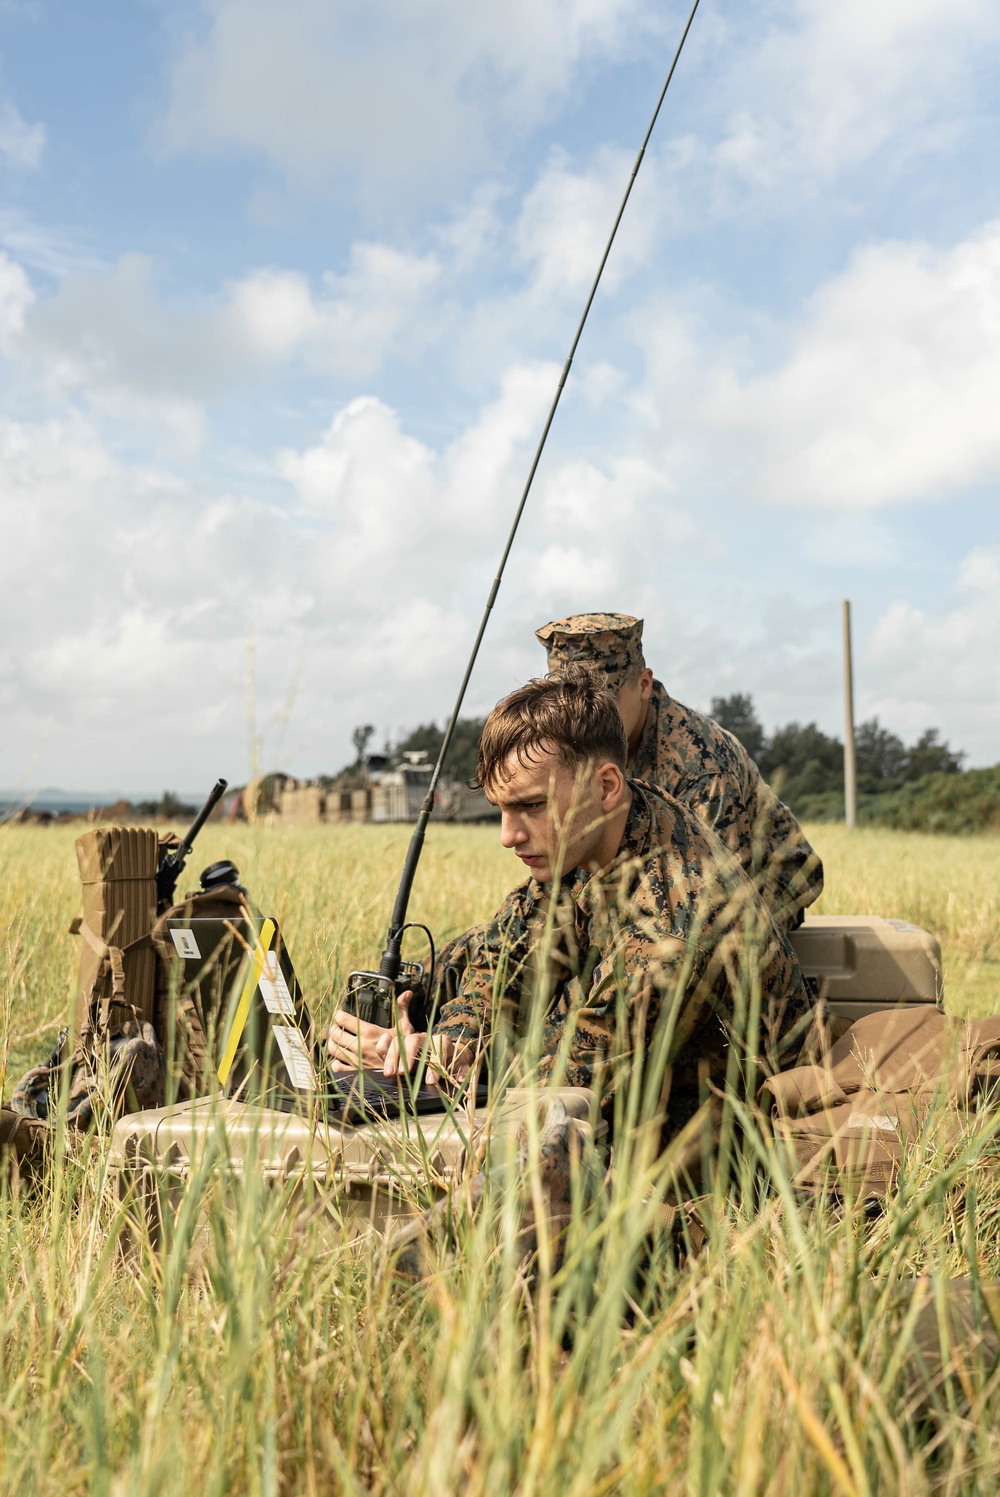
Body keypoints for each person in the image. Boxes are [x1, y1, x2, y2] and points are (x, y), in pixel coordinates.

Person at [374, 673, 813, 1140]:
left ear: (606, 786)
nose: (508, 836)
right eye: (502, 809)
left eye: (531, 806)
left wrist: (429, 1067)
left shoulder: (676, 922)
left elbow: (570, 1075)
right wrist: (452, 1038)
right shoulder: (603, 828)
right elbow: (506, 960)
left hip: (724, 1132)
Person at [535, 613, 822, 931]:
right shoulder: (574, 747)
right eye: (571, 703)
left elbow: (711, 897)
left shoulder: (701, 766)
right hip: (645, 873)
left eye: (606, 700)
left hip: (757, 882)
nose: (585, 719)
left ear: (644, 684)